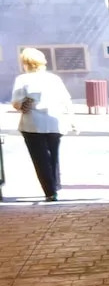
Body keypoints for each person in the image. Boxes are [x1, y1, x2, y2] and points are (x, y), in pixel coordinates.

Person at [10, 48, 73, 202]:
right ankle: (55, 185)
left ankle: (50, 191)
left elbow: (17, 102)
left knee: (40, 159)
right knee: (53, 155)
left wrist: (22, 104)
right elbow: (66, 99)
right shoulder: (54, 79)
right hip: (54, 122)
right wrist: (70, 119)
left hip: (32, 124)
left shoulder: (23, 79)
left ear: (25, 63)